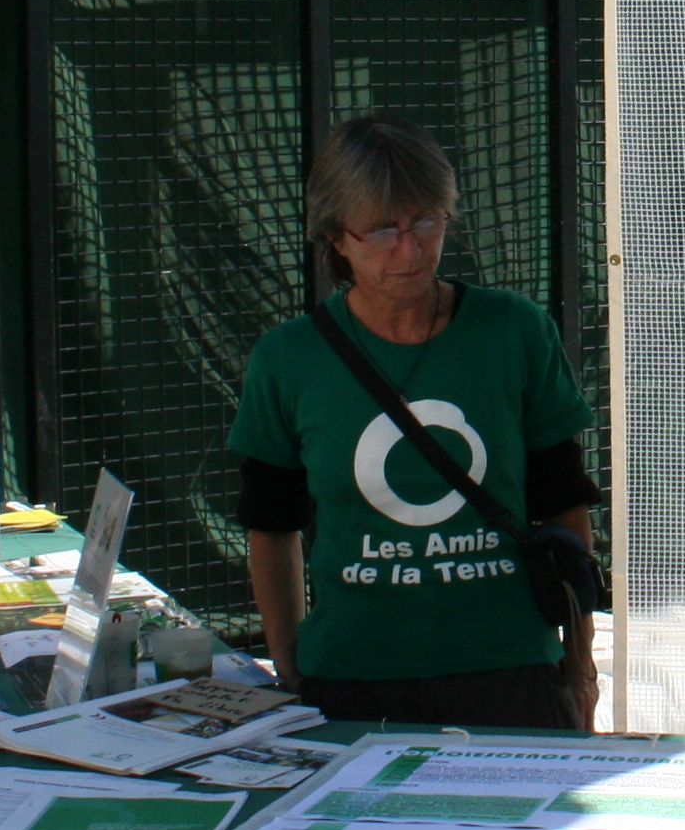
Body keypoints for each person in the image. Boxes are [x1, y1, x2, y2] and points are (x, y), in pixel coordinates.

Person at [232, 112, 598, 731]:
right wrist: (290, 664)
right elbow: (271, 524)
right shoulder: (288, 358)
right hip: (352, 679)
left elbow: (565, 504)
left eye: (425, 221)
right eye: (380, 230)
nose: (409, 249)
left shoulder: (515, 330)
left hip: (511, 670)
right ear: (336, 238)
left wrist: (580, 662)